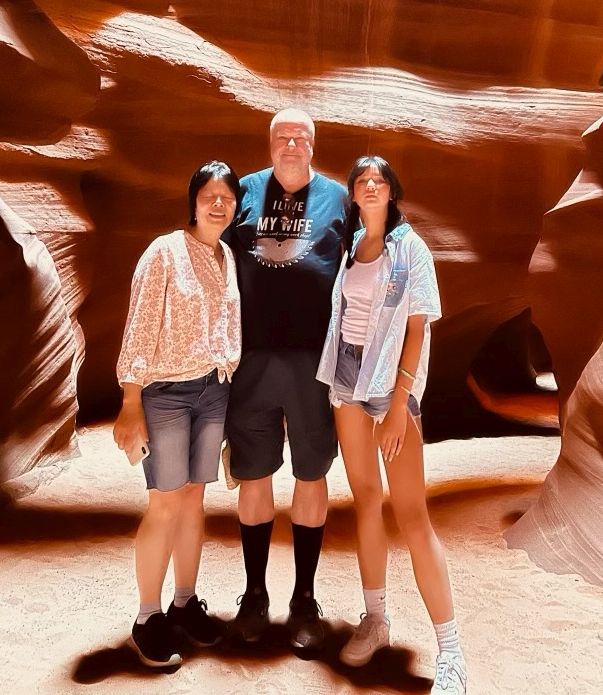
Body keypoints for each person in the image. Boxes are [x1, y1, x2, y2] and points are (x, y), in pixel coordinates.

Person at [316, 156, 467, 694]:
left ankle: (450, 651)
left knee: (412, 513)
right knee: (365, 497)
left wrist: (401, 402)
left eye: (379, 180)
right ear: (354, 195)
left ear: (392, 191)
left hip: (388, 385)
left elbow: (418, 325)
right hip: (346, 378)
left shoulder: (411, 247)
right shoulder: (352, 246)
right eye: (362, 181)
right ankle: (376, 619)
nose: (370, 186)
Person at [223, 108, 346, 649]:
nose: (292, 144)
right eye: (282, 137)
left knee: (311, 474)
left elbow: (376, 248)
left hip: (312, 365)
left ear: (313, 146)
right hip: (252, 361)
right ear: (269, 143)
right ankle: (254, 596)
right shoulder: (241, 190)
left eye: (301, 137)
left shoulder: (341, 197)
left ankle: (303, 598)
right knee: (254, 474)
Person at [113, 161, 241, 668]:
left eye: (226, 197)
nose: (217, 204)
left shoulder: (227, 256)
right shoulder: (164, 252)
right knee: (164, 503)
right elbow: (140, 325)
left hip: (213, 390)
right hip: (166, 393)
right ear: (193, 202)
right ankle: (147, 617)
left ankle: (184, 603)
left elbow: (230, 325)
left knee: (193, 501)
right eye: (208, 195)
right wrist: (130, 401)